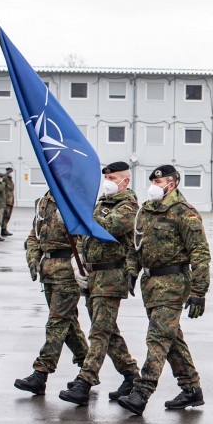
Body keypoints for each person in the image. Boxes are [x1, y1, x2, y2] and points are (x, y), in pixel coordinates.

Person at [118, 164, 211, 415]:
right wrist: (131, 270)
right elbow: (135, 245)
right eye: (152, 182)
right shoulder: (146, 211)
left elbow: (200, 254)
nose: (154, 186)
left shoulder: (185, 213)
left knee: (157, 339)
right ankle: (191, 388)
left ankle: (141, 392)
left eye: (159, 183)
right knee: (171, 339)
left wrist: (199, 291)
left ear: (172, 184)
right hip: (150, 285)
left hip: (173, 284)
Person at [58, 162, 142, 406]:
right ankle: (131, 375)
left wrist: (81, 210)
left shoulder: (129, 206)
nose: (107, 181)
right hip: (94, 276)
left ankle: (85, 381)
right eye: (106, 177)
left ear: (125, 181)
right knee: (108, 331)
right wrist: (79, 262)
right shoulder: (102, 205)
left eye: (112, 177)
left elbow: (107, 226)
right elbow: (85, 235)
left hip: (111, 277)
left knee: (99, 332)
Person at [13, 190, 89, 395]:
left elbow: (84, 235)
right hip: (47, 270)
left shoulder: (75, 200)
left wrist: (80, 262)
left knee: (57, 321)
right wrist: (33, 260)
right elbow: (33, 237)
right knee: (68, 323)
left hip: (67, 271)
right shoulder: (43, 202)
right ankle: (88, 366)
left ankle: (41, 373)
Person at [1, 167, 16, 236]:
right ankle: (3, 229)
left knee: (8, 215)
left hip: (10, 200)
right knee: (5, 215)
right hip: (7, 200)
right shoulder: (5, 179)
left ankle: (5, 229)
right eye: (10, 172)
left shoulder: (10, 180)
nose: (11, 173)